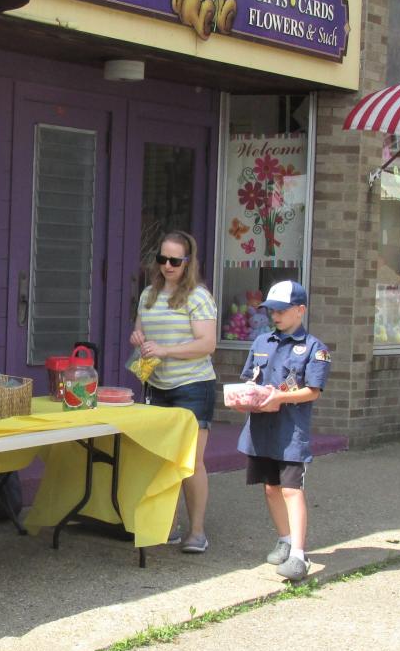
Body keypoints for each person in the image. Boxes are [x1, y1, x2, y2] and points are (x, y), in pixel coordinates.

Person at [233, 280, 331, 582]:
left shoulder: (314, 348)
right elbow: (249, 378)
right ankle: (285, 539)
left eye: (281, 311)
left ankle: (299, 555)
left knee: (291, 489)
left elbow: (313, 391)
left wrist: (280, 397)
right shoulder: (262, 342)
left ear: (300, 310)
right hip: (261, 429)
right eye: (271, 310)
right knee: (270, 487)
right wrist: (242, 396)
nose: (275, 316)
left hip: (290, 433)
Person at [129, 230, 217, 553]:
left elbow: (207, 344)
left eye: (174, 261)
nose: (167, 265)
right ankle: (167, 525)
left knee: (191, 461)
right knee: (164, 459)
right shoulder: (149, 294)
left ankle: (196, 531)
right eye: (162, 259)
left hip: (193, 387)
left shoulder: (198, 297)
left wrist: (165, 350)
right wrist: (138, 339)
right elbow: (140, 329)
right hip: (158, 385)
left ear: (188, 262)